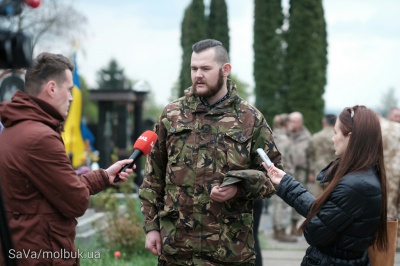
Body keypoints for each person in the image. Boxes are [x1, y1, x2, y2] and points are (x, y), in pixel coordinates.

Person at [139, 39, 279, 266]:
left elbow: (275, 177)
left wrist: (238, 187)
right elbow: (153, 178)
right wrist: (151, 228)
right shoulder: (172, 114)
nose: (198, 75)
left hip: (229, 252)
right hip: (177, 250)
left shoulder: (250, 119)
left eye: (205, 68)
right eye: (194, 68)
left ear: (225, 70)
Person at [0, 52, 134, 266]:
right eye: (69, 89)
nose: (72, 98)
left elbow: (55, 190)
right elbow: (76, 202)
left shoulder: (16, 128)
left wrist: (103, 176)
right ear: (52, 88)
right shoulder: (41, 138)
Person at [263, 105, 388, 265]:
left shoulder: (354, 186)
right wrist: (285, 182)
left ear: (350, 137)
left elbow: (316, 231)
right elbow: (326, 215)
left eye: (336, 133)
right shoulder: (363, 176)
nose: (333, 138)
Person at [269, 113, 297, 242]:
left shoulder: (273, 135)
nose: (293, 125)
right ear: (285, 124)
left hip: (272, 174)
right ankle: (280, 231)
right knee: (282, 204)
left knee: (275, 203)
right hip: (282, 175)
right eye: (291, 122)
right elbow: (284, 159)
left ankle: (275, 229)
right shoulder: (285, 139)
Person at [287, 111, 312, 235]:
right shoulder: (285, 134)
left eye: (294, 121)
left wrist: (312, 171)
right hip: (286, 169)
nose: (291, 124)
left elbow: (311, 156)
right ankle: (280, 228)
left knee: (297, 196)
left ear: (300, 122)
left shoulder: (307, 136)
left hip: (300, 170)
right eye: (290, 120)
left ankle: (294, 224)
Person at [308, 114, 337, 196]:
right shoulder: (337, 137)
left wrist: (311, 172)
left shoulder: (315, 136)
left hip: (319, 172)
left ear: (324, 122)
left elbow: (311, 155)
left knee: (318, 199)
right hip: (335, 171)